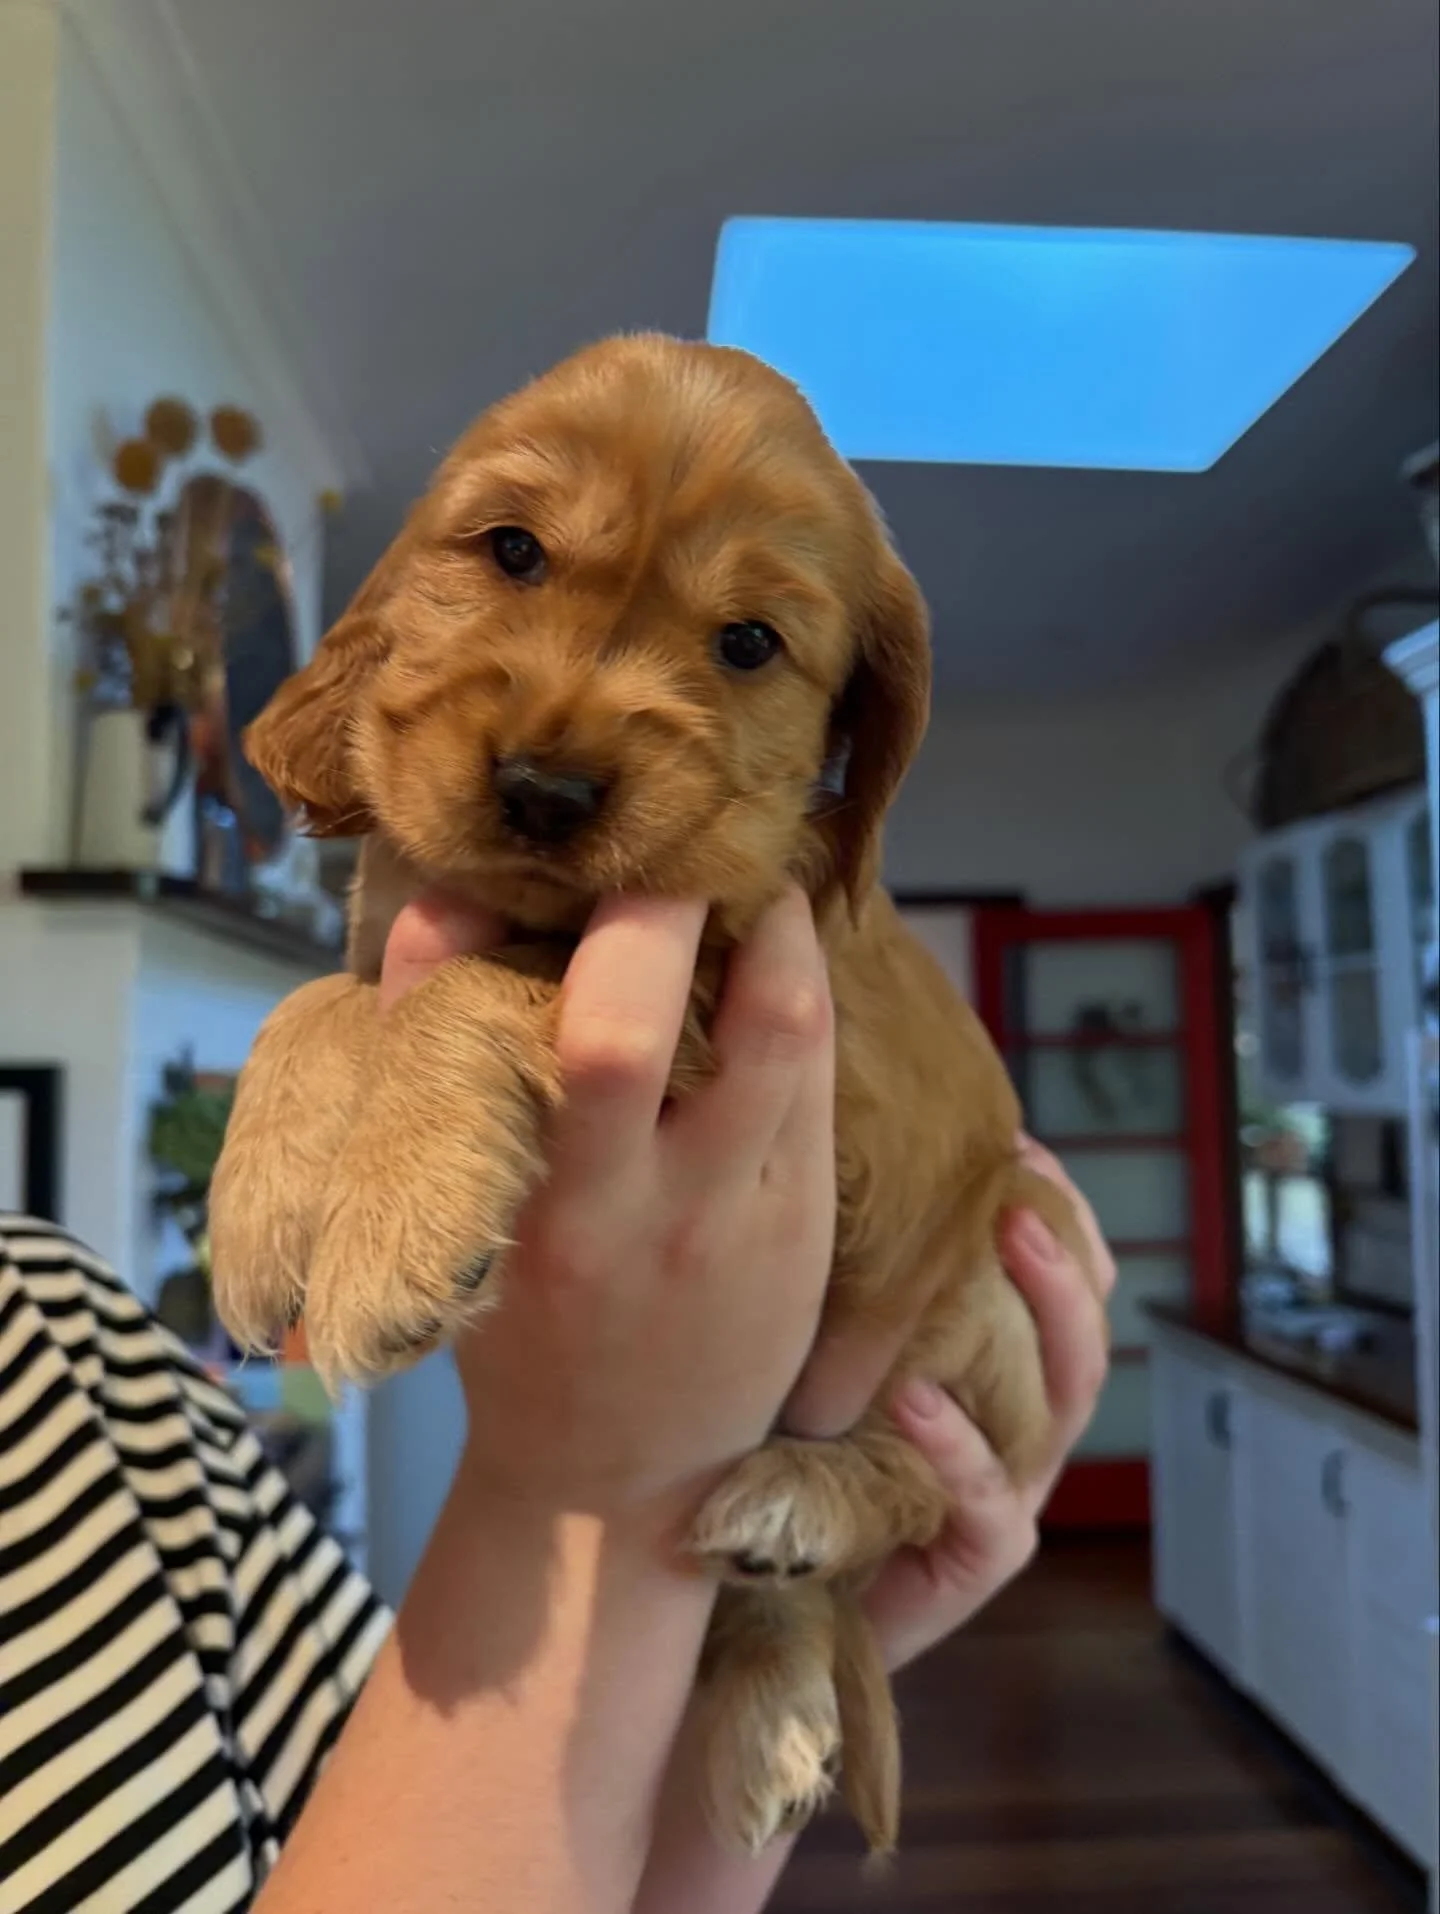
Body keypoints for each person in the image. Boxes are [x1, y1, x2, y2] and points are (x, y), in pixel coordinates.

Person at [0, 888, 1114, 1914]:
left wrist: (817, 1599)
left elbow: (504, 1831)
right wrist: (583, 1487)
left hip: (920, 1326)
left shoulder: (69, 1327)